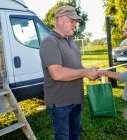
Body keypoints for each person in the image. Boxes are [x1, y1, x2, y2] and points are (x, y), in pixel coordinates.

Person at [39, 5, 98, 140]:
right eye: (72, 21)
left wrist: (91, 73)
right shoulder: (49, 42)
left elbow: (76, 65)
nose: (75, 24)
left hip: (76, 100)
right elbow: (57, 73)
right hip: (61, 103)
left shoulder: (70, 40)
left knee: (75, 134)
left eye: (76, 21)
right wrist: (84, 72)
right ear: (60, 20)